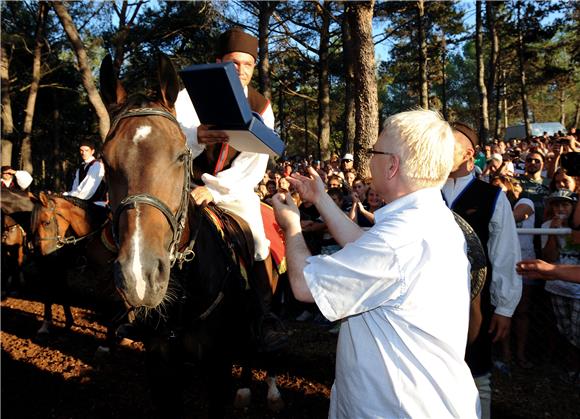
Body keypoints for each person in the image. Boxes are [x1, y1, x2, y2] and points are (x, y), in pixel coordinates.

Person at [272, 110, 480, 418]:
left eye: (374, 153)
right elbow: (362, 246)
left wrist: (290, 226)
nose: (369, 161)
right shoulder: (429, 219)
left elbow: (304, 285)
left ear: (393, 165)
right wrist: (320, 198)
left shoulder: (397, 240)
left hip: (396, 408)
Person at [174, 27, 287, 352]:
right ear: (218, 62)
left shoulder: (261, 106)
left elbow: (255, 161)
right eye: (234, 63)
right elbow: (173, 137)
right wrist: (195, 136)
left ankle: (262, 317)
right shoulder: (188, 96)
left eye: (248, 65)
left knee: (258, 240)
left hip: (234, 190)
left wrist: (217, 192)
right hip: (187, 183)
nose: (241, 70)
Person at [443, 121, 521, 419]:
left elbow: (504, 254)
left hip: (474, 302)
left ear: (468, 153)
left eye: (447, 146)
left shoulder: (492, 196)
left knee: (477, 375)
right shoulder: (423, 194)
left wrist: (505, 307)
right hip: (426, 300)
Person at [63, 140, 107, 206]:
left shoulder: (97, 165)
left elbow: (87, 191)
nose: (83, 153)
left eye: (86, 150)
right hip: (83, 203)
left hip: (98, 205)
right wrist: (67, 195)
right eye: (81, 150)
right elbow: (75, 188)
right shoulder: (80, 168)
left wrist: (68, 196)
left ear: (92, 151)